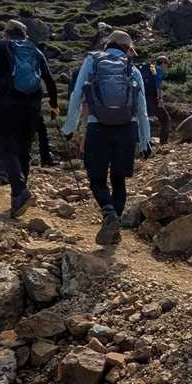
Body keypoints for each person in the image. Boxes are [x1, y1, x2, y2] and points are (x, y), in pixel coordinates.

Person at [64, 29, 151, 245]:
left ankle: (108, 212)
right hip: (127, 128)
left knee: (96, 179)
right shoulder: (132, 67)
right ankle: (114, 225)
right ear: (128, 49)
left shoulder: (92, 61)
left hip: (98, 127)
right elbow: (142, 108)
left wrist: (70, 127)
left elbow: (77, 94)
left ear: (107, 44)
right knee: (119, 179)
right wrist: (146, 141)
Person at [0, 20, 58, 218]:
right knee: (24, 151)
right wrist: (54, 105)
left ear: (6, 34)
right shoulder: (34, 50)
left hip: (4, 105)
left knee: (6, 148)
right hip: (32, 107)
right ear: (24, 35)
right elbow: (48, 79)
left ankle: (20, 191)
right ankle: (17, 199)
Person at [138, 56, 171, 144]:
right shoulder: (158, 70)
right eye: (167, 64)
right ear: (163, 63)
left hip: (143, 97)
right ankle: (163, 142)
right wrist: (160, 99)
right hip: (153, 98)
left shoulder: (151, 68)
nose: (167, 67)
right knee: (165, 119)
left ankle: (143, 141)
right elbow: (158, 86)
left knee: (144, 119)